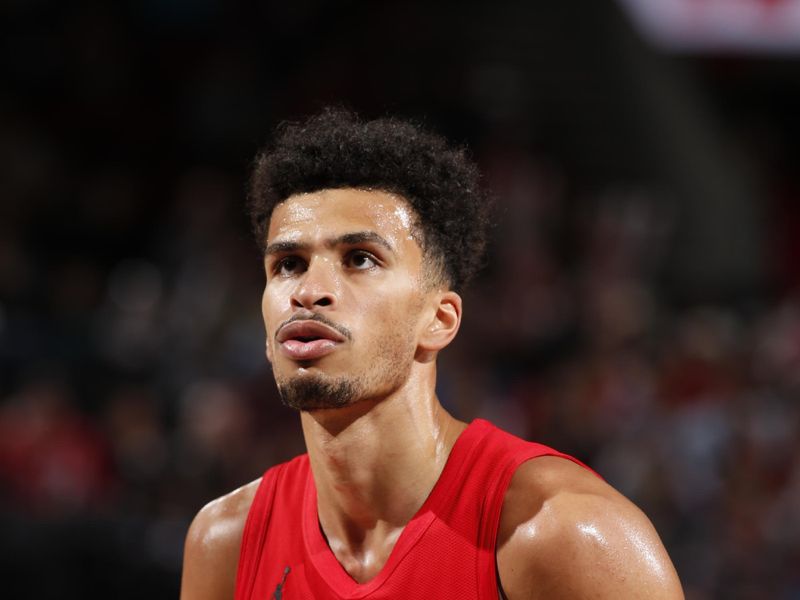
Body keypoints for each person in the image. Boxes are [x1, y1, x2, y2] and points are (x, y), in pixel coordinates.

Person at [180, 109, 684, 599]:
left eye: (360, 259)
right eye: (288, 264)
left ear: (439, 320)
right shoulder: (226, 542)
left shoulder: (566, 534)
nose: (309, 291)